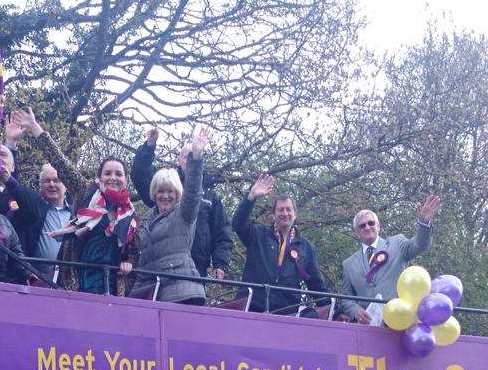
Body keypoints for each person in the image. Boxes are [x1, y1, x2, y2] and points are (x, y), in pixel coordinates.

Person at [10, 109, 136, 294]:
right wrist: (35, 127)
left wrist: (129, 262)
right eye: (107, 173)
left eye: (118, 174)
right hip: (79, 282)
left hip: (113, 285)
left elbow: (134, 248)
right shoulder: (86, 192)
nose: (113, 178)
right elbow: (60, 162)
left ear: (125, 180)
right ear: (99, 177)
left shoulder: (129, 211)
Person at [131, 126, 233, 280]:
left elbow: (222, 231)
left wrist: (220, 264)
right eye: (187, 157)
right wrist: (149, 146)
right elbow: (140, 176)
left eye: (194, 156)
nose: (190, 161)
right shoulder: (164, 187)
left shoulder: (210, 197)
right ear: (179, 159)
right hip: (161, 263)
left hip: (196, 265)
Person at [130, 127, 210, 305]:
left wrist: (196, 158)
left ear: (177, 193)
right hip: (149, 289)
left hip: (181, 291)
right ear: (154, 193)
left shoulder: (184, 212)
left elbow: (193, 192)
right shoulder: (146, 218)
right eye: (160, 191)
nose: (165, 196)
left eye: (170, 191)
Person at [232, 174, 326, 315]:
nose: (285, 213)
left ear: (295, 215)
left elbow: (316, 285)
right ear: (273, 215)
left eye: (289, 209)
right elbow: (238, 224)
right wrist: (251, 197)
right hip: (252, 308)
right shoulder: (257, 234)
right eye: (280, 210)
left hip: (286, 313)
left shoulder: (306, 247)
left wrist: (334, 311)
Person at [340, 197, 441, 324]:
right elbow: (346, 298)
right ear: (356, 232)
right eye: (362, 225)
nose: (367, 227)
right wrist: (356, 311)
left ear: (378, 226)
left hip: (398, 322)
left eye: (371, 223)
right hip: (367, 327)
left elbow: (419, 245)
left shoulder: (397, 243)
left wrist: (424, 223)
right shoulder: (348, 264)